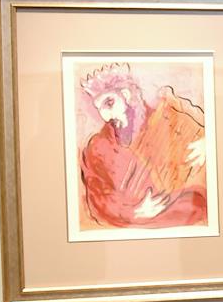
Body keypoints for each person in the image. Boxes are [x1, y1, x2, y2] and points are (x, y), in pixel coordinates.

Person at [79, 62, 207, 228]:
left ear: (125, 94)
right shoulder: (97, 147)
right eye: (99, 108)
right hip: (126, 223)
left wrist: (207, 142)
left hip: (177, 210)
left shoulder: (166, 118)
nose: (106, 116)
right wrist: (134, 212)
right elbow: (98, 197)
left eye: (109, 103)